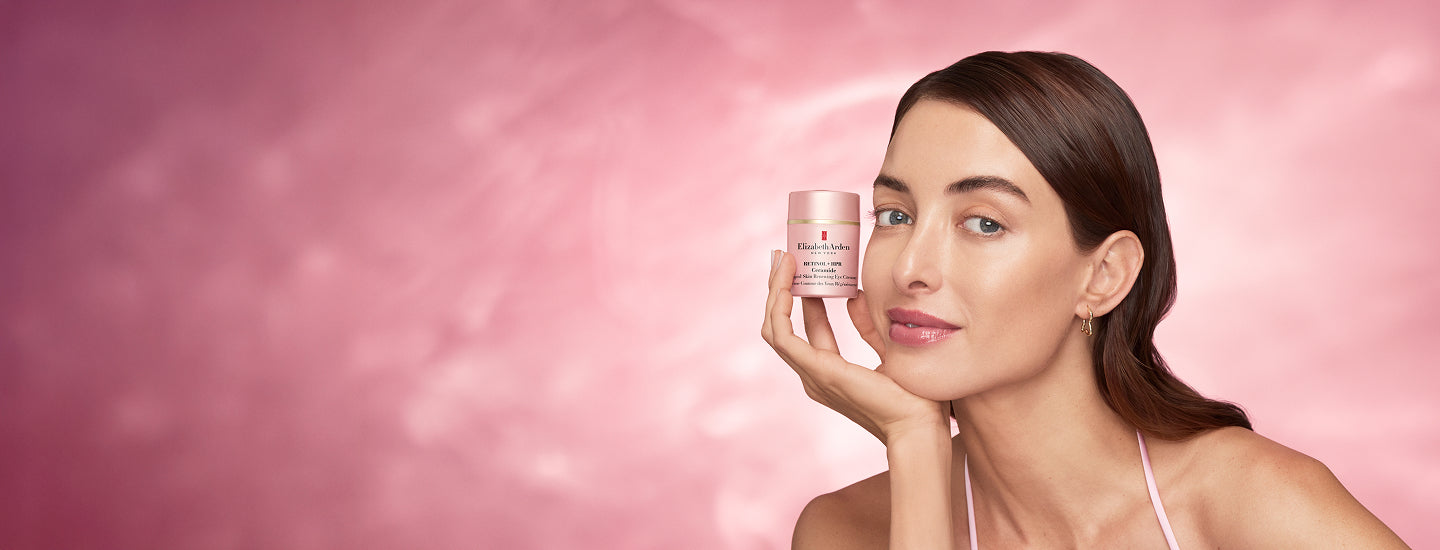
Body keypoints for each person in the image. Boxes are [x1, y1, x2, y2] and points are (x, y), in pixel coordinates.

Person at [760, 51, 1407, 549]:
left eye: (984, 222)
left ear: (1103, 276)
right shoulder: (845, 530)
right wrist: (915, 446)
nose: (910, 268)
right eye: (895, 214)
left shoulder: (1251, 502)